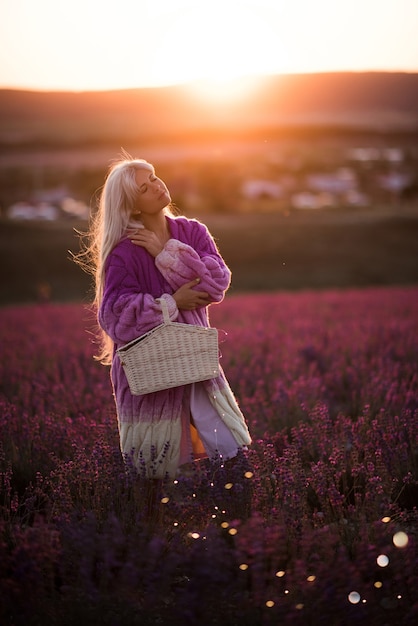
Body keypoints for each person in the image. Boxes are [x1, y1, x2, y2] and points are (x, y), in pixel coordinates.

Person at [82, 155, 251, 493]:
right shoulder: (124, 253)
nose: (157, 187)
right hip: (151, 368)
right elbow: (115, 315)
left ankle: (238, 512)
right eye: (144, 188)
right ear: (132, 206)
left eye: (154, 178)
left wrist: (167, 253)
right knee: (155, 465)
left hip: (194, 357)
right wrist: (172, 304)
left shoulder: (192, 231)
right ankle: (159, 529)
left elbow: (216, 283)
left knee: (229, 447)